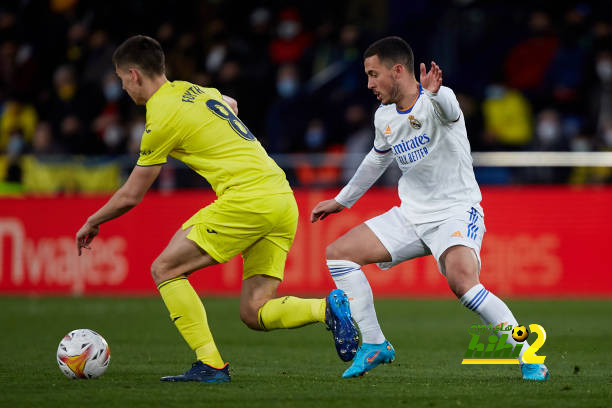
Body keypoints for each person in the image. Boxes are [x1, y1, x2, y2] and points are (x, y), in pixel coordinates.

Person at [75, 35, 358, 383]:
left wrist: (93, 220)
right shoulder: (194, 89)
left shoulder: (161, 115)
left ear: (133, 75)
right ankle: (325, 308)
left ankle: (210, 364)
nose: (122, 88)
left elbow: (132, 194)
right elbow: (231, 103)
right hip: (281, 196)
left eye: (121, 80)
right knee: (254, 312)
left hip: (247, 198)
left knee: (165, 269)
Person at [311, 36, 550, 381]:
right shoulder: (384, 117)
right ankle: (375, 344)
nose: (369, 84)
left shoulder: (440, 100)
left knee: (462, 282)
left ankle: (528, 354)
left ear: (397, 70)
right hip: (411, 215)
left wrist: (434, 93)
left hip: (455, 210)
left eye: (373, 74)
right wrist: (341, 201)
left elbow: (449, 109)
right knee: (339, 254)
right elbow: (375, 162)